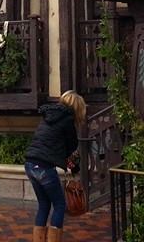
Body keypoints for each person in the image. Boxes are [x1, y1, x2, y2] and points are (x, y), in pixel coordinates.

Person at [24, 90, 86, 242]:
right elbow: (72, 147)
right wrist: (74, 167)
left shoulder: (48, 115)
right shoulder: (68, 120)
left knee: (44, 204)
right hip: (44, 167)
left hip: (30, 164)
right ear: (77, 108)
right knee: (59, 205)